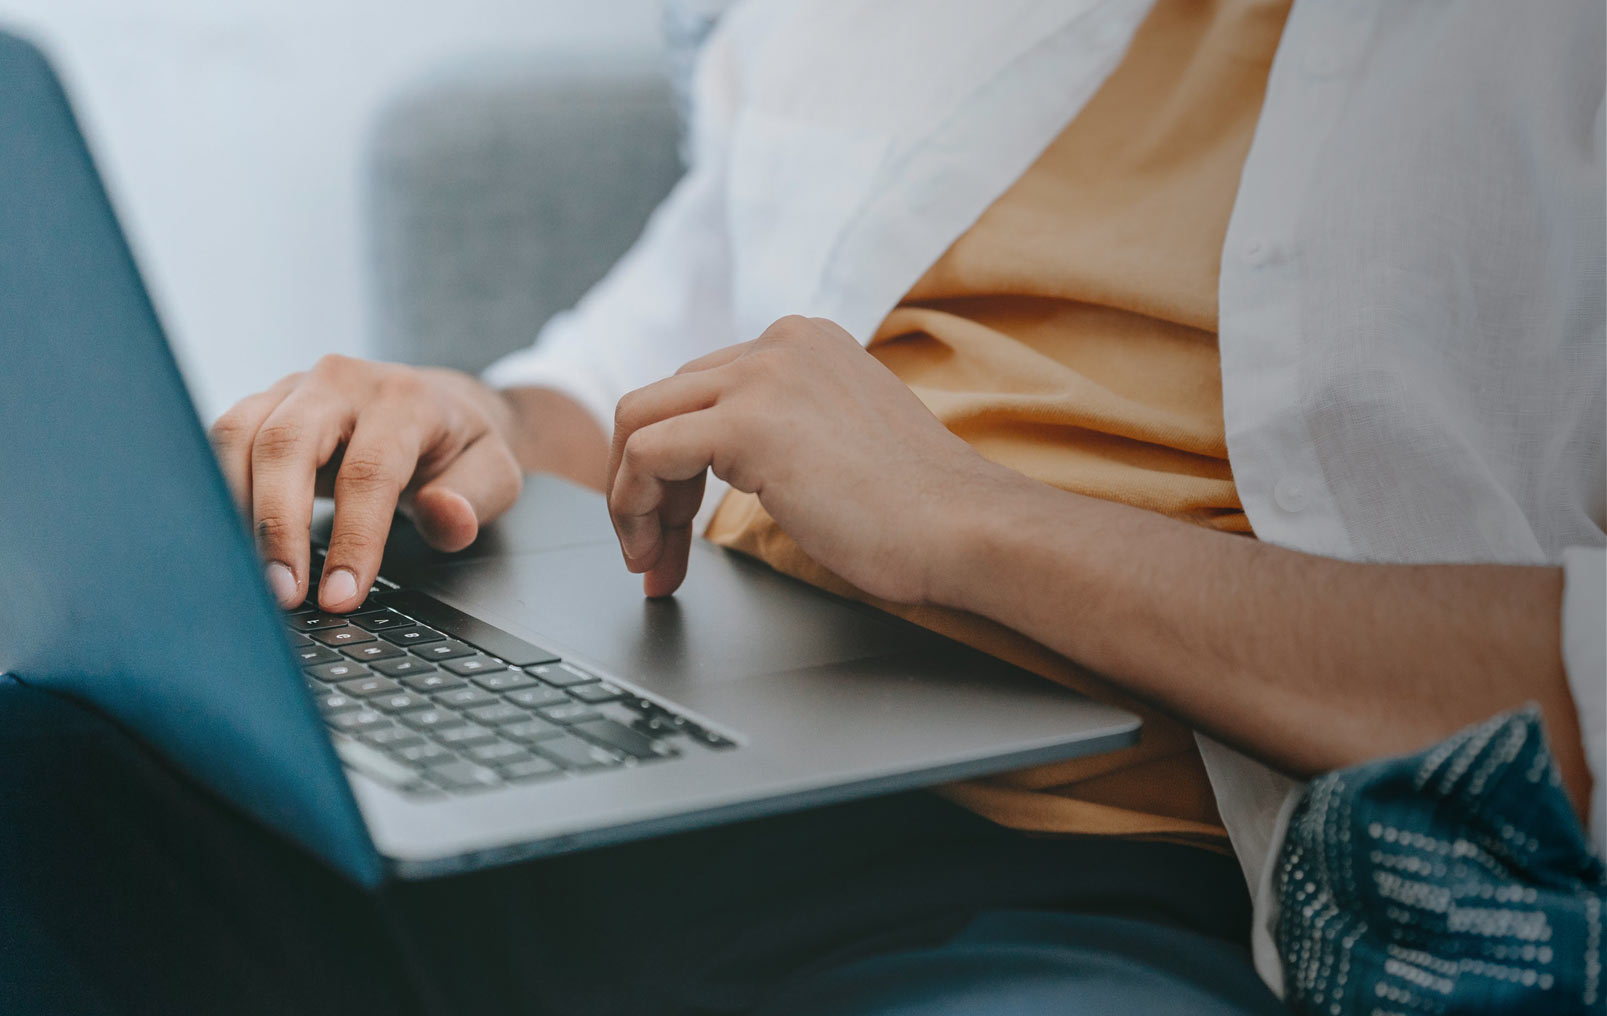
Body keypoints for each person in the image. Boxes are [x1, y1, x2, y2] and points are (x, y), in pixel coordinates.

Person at [183, 0, 1607, 1012]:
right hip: (646, 775)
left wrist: (964, 525)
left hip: (1081, 895)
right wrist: (454, 423)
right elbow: (614, 376)